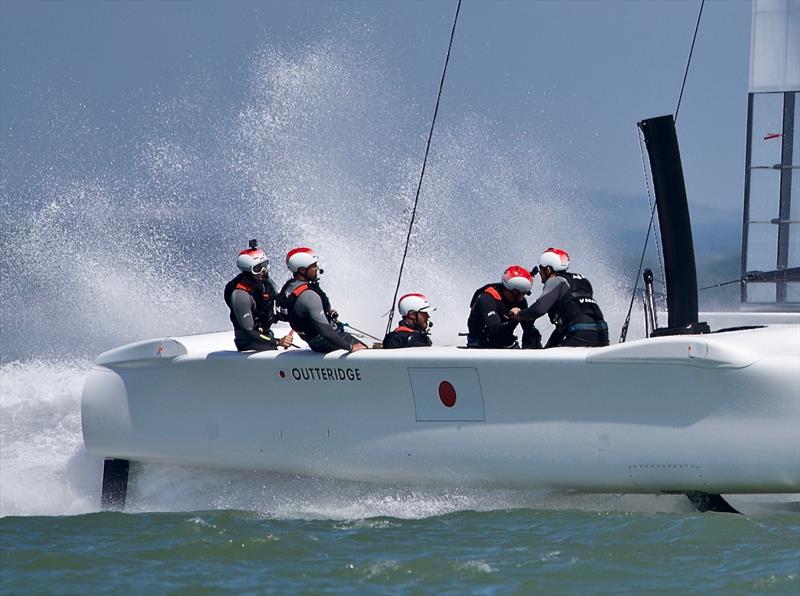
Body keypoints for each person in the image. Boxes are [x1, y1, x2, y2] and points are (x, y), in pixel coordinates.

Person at [510, 248, 609, 348]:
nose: (539, 272)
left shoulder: (555, 281)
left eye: (541, 268)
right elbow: (562, 327)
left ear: (548, 269)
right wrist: (547, 349)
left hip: (580, 333)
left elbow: (539, 309)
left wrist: (520, 314)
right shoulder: (584, 281)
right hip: (603, 333)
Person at [277, 247, 366, 354]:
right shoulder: (309, 296)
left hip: (313, 342)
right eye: (313, 266)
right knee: (365, 348)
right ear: (302, 270)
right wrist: (350, 347)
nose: (317, 269)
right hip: (325, 343)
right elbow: (325, 331)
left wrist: (326, 313)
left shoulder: (289, 287)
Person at [224, 240, 294, 352]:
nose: (263, 271)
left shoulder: (266, 283)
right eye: (258, 268)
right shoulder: (240, 295)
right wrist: (277, 341)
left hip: (266, 335)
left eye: (265, 265)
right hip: (249, 343)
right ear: (248, 271)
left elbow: (278, 302)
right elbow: (249, 332)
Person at [466, 265, 542, 349]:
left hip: (505, 343)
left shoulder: (520, 301)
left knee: (533, 334)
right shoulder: (486, 299)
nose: (521, 298)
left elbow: (528, 329)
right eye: (520, 294)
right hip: (482, 344)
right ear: (512, 290)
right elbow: (495, 333)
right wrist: (515, 319)